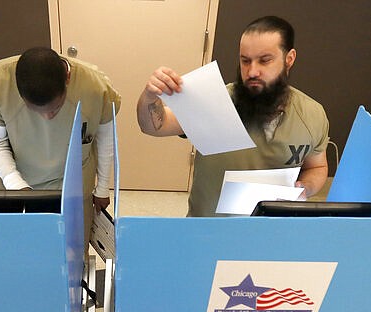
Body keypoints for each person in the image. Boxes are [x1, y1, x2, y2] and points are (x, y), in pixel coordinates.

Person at [137, 16, 329, 217]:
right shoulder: (213, 101)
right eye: (245, 61)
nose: (252, 71)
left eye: (265, 60)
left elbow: (317, 166)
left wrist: (305, 187)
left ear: (289, 59)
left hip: (271, 234)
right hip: (207, 232)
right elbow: (153, 127)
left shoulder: (312, 114)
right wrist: (150, 97)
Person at [0, 46, 121, 251]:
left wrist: (103, 187)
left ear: (67, 78)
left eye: (54, 109)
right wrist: (18, 187)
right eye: (35, 110)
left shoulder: (97, 87)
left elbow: (105, 140)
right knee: (28, 251)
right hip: (21, 184)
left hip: (76, 186)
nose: (46, 117)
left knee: (73, 253)